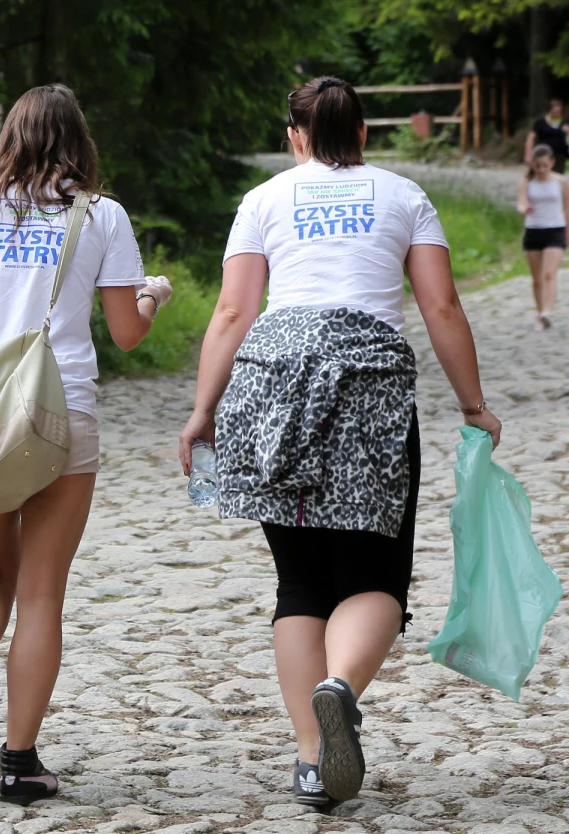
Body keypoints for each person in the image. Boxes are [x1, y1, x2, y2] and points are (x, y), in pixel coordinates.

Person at [179, 76, 502, 807]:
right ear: (362, 134)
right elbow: (441, 305)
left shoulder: (263, 201)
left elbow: (233, 310)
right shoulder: (402, 195)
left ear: (295, 137)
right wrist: (473, 404)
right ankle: (340, 686)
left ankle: (308, 759)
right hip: (369, 386)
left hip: (273, 384)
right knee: (375, 576)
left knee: (299, 583)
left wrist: (205, 409)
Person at [0, 84, 172, 805]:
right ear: (78, 141)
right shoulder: (101, 215)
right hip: (60, 407)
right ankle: (19, 762)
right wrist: (153, 298)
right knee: (41, 593)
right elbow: (127, 332)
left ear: (10, 134)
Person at [517, 144, 568, 330]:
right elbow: (521, 202)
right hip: (533, 231)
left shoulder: (562, 181)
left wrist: (567, 234)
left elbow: (567, 208)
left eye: (545, 165)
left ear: (552, 163)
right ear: (533, 165)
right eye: (537, 166)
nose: (541, 170)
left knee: (549, 274)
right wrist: (525, 209)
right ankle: (540, 313)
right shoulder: (526, 180)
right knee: (537, 278)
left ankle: (548, 311)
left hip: (555, 230)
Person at [525, 99, 569, 173]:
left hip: (559, 157)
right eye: (555, 110)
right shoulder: (541, 122)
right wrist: (528, 154)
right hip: (542, 154)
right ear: (550, 110)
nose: (557, 112)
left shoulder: (564, 122)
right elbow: (531, 138)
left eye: (559, 111)